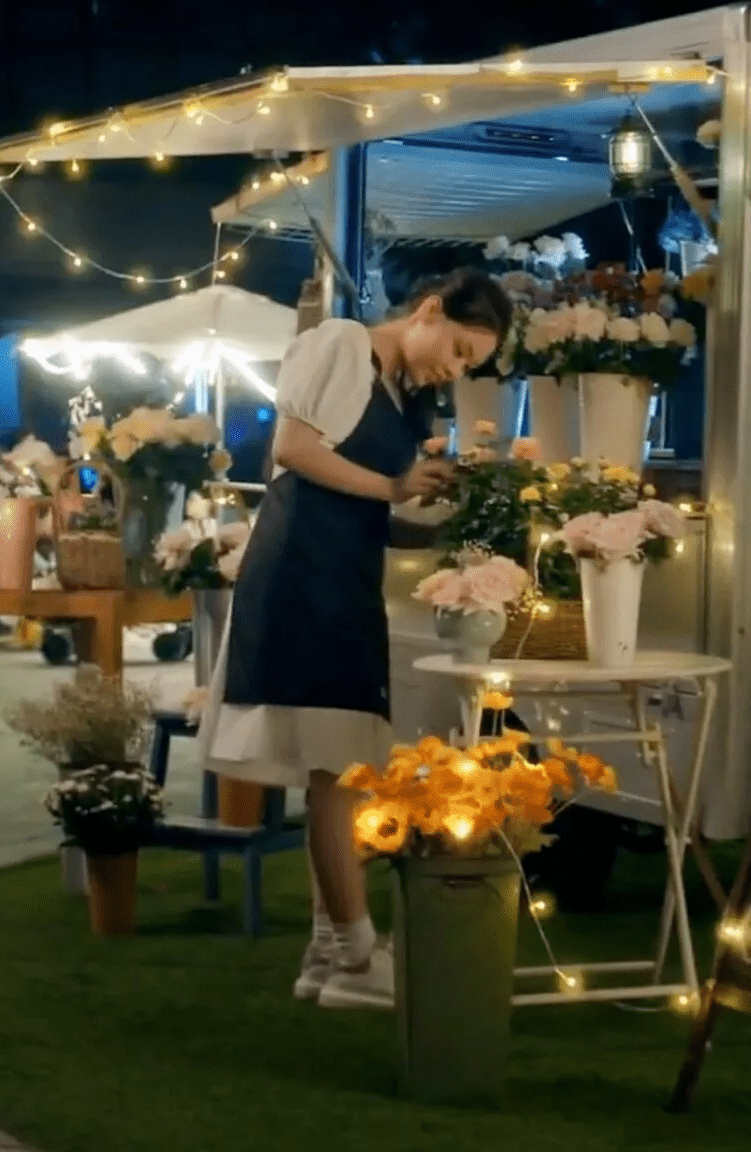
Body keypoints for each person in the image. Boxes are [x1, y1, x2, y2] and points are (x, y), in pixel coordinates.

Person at [199, 269, 512, 1010]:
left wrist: (449, 528)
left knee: (338, 770)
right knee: (337, 770)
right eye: (459, 350)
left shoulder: (401, 395)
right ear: (429, 310)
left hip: (343, 577)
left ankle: (329, 953)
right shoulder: (342, 344)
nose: (455, 370)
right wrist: (396, 488)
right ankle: (356, 951)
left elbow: (367, 508)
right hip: (303, 577)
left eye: (469, 364)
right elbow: (294, 451)